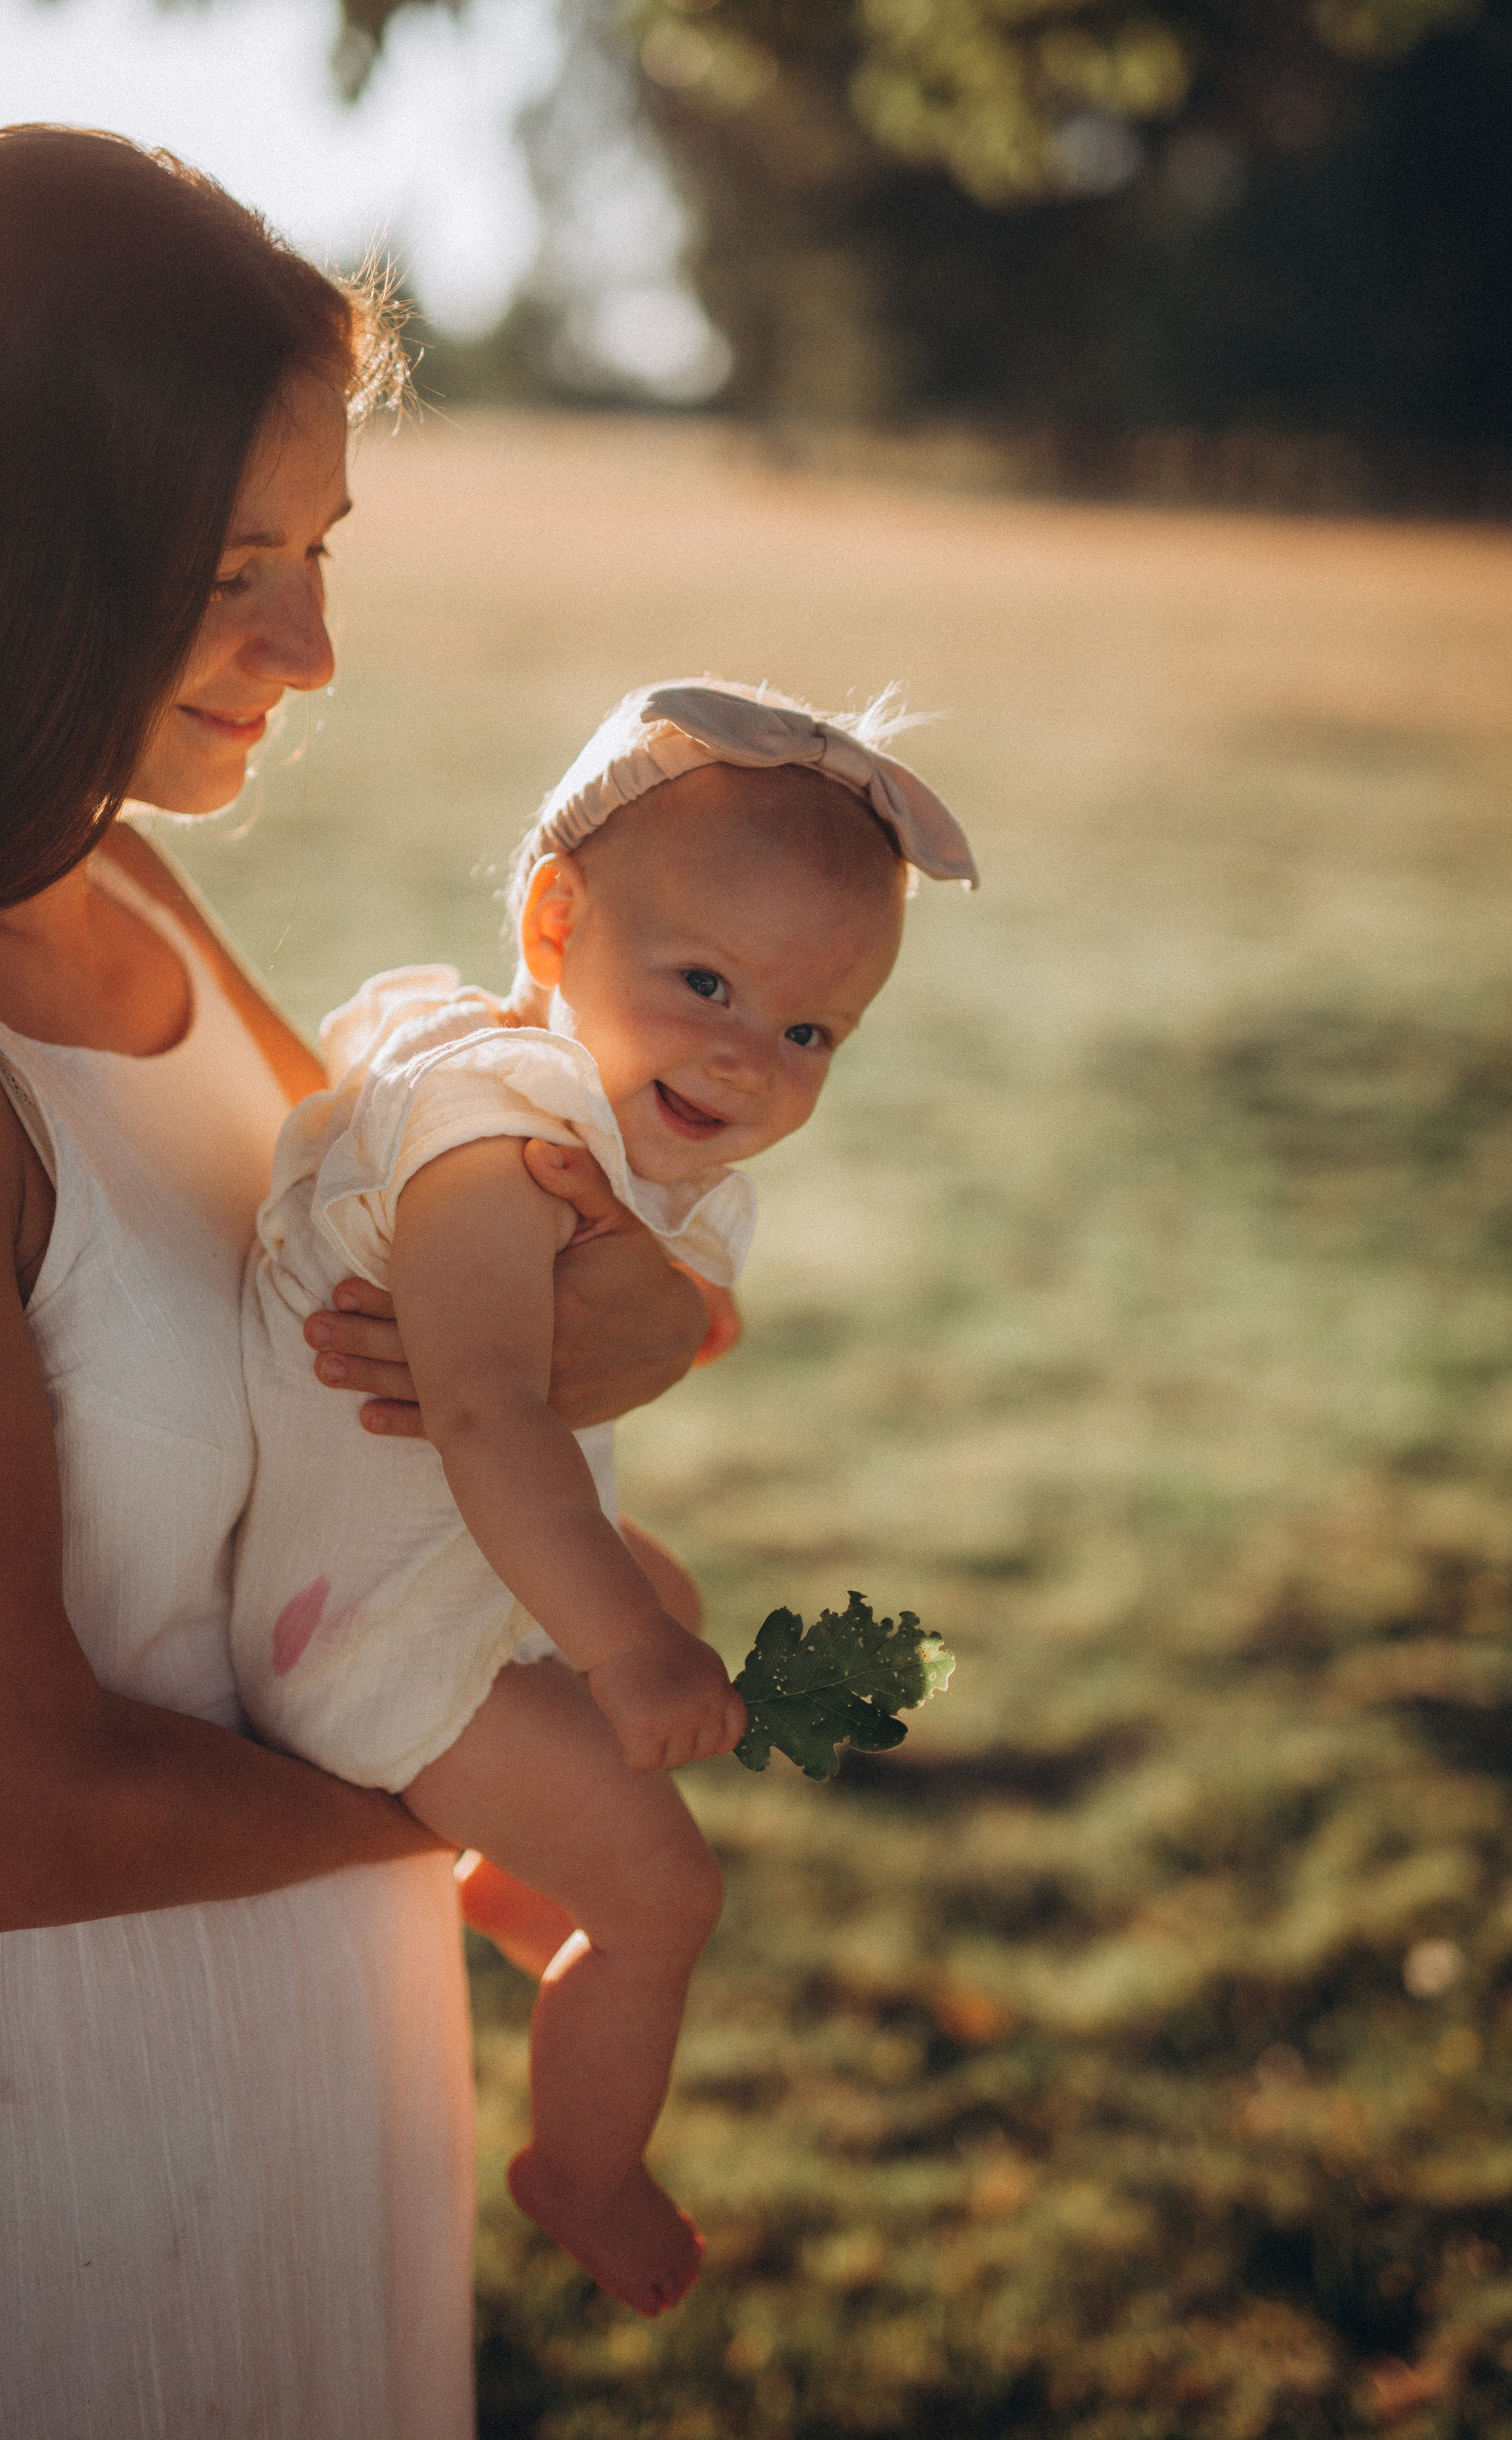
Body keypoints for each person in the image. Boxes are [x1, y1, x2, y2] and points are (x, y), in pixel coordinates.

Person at [0, 126, 712, 2440]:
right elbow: (5, 1822)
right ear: (14, 555)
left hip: (341, 2039)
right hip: (85, 2106)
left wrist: (645, 1300)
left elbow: (391, 1327)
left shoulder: (117, 881)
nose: (313, 648)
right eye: (236, 567)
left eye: (318, 553)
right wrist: (494, 1806)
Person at [232, 680, 977, 2317]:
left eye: (807, 1031)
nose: (744, 1056)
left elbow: (596, 1376)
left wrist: (647, 1619)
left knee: (676, 1598)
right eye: (703, 981)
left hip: (420, 1577)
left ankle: (491, 1857)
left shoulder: (586, 1112)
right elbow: (492, 1416)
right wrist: (625, 1656)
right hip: (368, 1639)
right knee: (667, 1889)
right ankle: (579, 2169)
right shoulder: (498, 1139)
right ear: (554, 921)